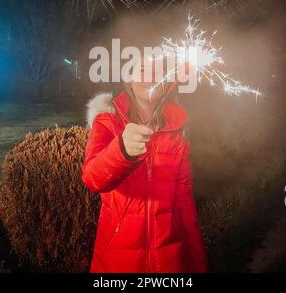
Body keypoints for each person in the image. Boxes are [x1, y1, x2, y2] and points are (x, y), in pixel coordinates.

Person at [82, 56, 208, 272]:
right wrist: (122, 151)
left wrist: (197, 261)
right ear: (129, 78)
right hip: (118, 260)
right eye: (141, 69)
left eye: (158, 71)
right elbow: (93, 178)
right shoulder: (108, 121)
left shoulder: (178, 130)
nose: (150, 76)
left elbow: (184, 202)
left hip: (170, 260)